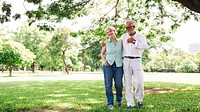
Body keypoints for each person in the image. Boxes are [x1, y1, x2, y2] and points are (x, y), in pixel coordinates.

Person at [121, 20, 148, 109]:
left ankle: (139, 100)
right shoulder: (123, 36)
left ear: (134, 27)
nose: (127, 29)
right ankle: (130, 103)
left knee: (139, 82)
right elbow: (118, 46)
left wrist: (134, 42)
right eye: (126, 27)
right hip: (126, 60)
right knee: (127, 83)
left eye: (129, 27)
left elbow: (145, 46)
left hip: (137, 60)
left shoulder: (140, 36)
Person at [100, 26, 123, 110]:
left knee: (119, 84)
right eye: (107, 32)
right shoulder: (105, 43)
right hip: (108, 66)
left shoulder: (121, 41)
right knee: (108, 85)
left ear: (114, 31)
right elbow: (102, 53)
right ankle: (110, 103)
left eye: (110, 31)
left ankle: (119, 99)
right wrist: (104, 61)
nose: (109, 33)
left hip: (119, 66)